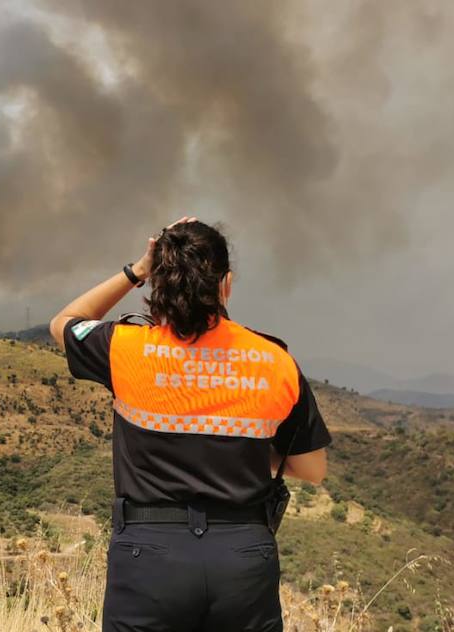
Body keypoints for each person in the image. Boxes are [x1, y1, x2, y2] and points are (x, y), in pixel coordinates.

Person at [49, 217, 331, 631]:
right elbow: (313, 470)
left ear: (160, 281)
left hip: (149, 559)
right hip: (242, 557)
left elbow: (63, 323)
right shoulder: (274, 360)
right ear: (226, 284)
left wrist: (137, 270)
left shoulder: (124, 348)